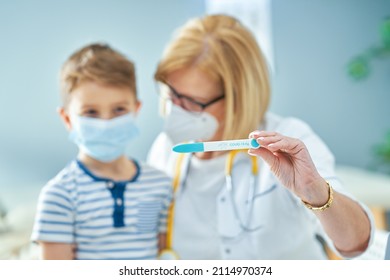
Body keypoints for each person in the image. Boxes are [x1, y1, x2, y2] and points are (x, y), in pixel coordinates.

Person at [147, 14, 374, 259]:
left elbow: (356, 243)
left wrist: (313, 190)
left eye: (192, 101)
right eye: (171, 94)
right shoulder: (165, 149)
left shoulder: (290, 139)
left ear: (237, 99)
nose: (176, 109)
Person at [31, 43, 172, 260]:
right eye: (91, 112)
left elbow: (164, 258)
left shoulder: (160, 185)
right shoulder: (60, 196)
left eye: (119, 110)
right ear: (67, 119)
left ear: (136, 109)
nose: (106, 122)